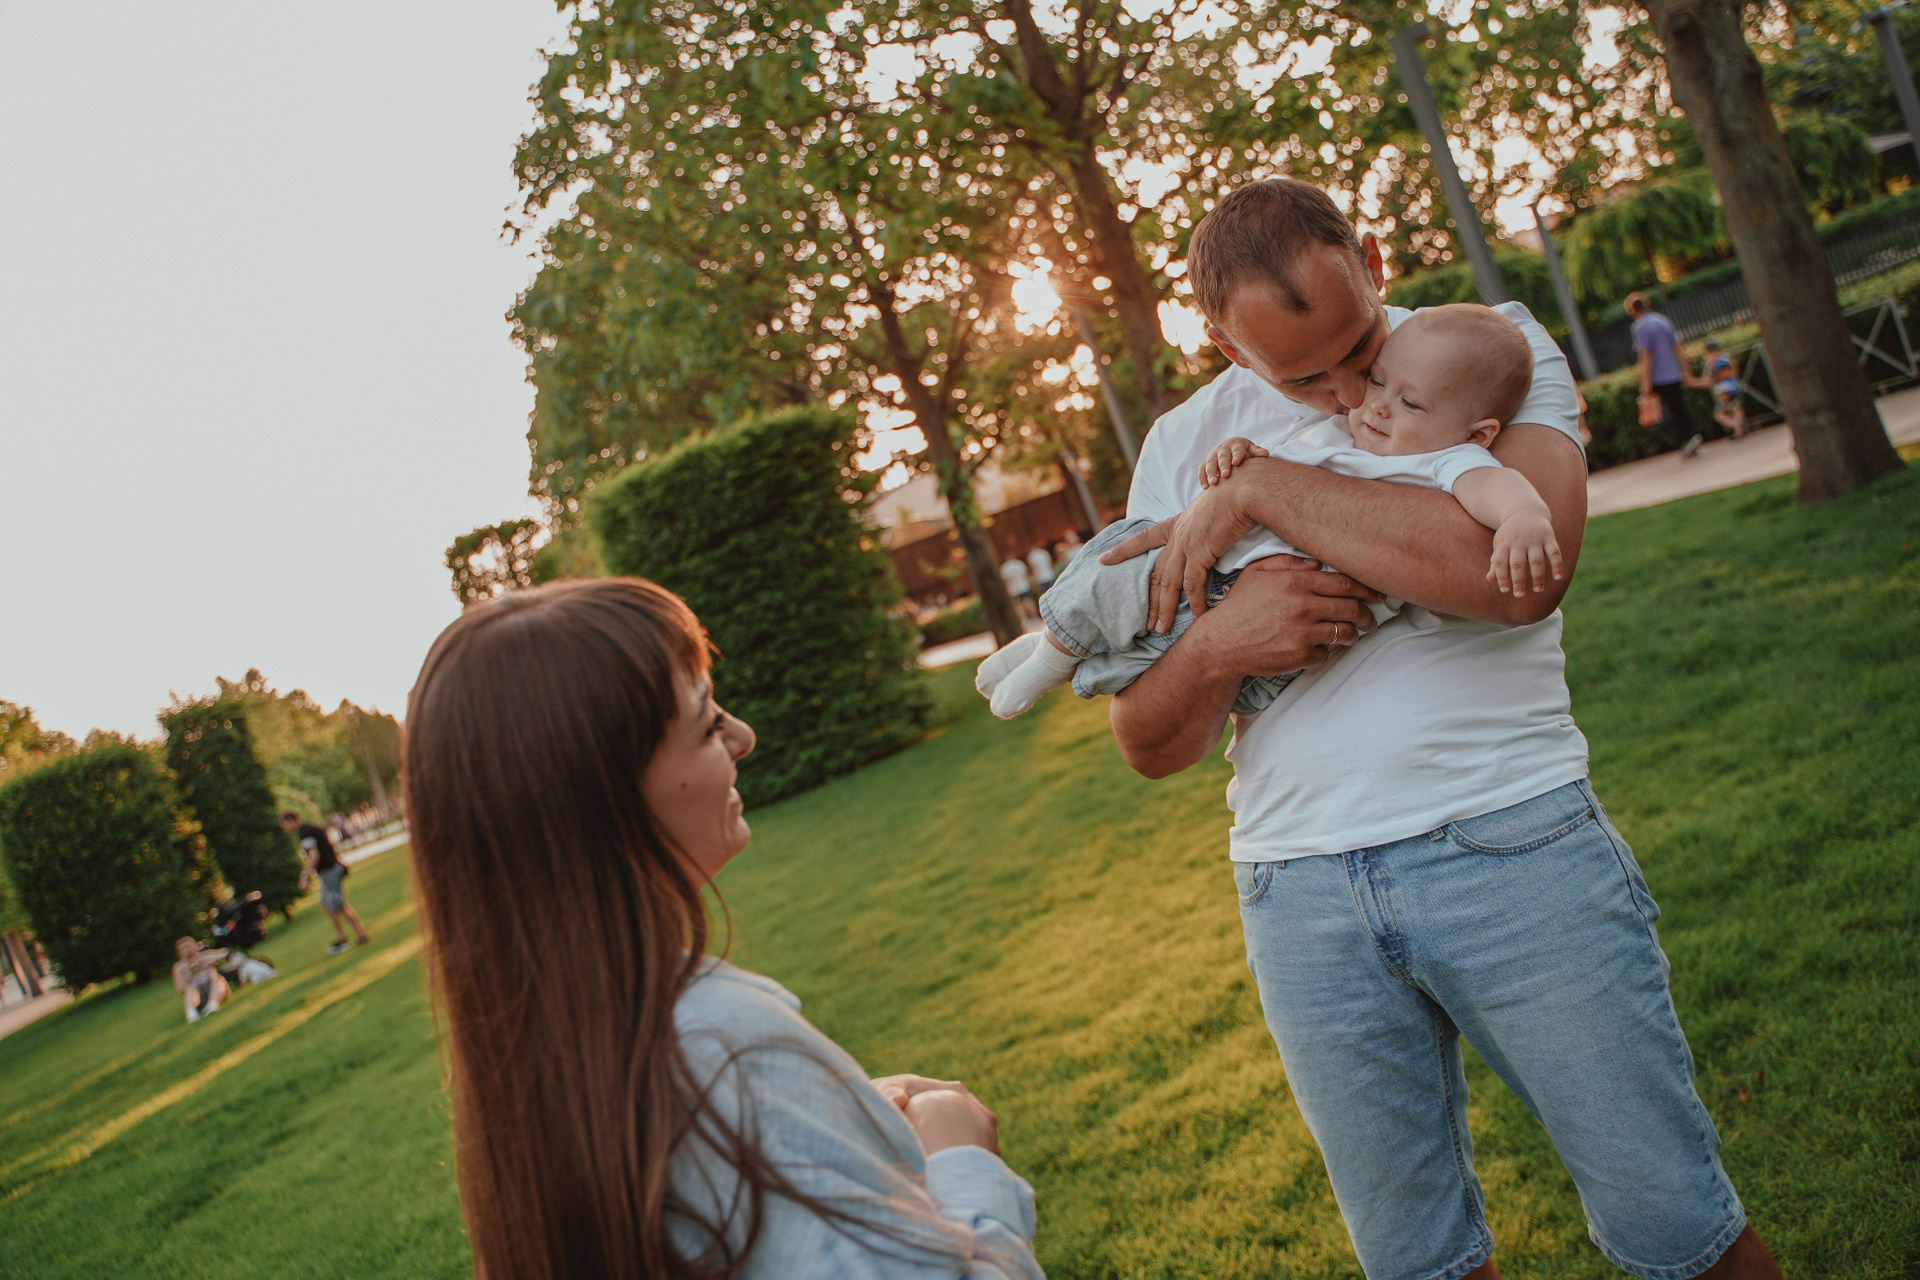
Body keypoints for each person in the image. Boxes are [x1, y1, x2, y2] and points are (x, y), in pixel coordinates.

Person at [1098, 179, 1780, 1280]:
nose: (1346, 396)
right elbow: (1146, 740)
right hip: (1295, 888)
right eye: (1299, 380)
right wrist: (1223, 645)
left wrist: (1265, 490)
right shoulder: (1182, 443)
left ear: (1373, 262)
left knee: (1677, 1227)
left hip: (1509, 841)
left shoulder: (1484, 349)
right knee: (1418, 1264)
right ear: (1220, 343)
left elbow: (1517, 578)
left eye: (1359, 351)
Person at [402, 578, 1042, 1280]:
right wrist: (960, 1156)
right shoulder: (725, 1053)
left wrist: (828, 1118)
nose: (743, 737)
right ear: (601, 798)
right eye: (707, 724)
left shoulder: (550, 1048)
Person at [976, 306, 1559, 719]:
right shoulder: (1343, 430)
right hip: (1220, 572)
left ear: (1476, 433)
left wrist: (1523, 520)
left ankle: (1065, 653)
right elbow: (1268, 466)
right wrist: (1237, 454)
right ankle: (1054, 646)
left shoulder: (1446, 459)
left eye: (1409, 402)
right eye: (1379, 381)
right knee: (1128, 562)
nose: (1373, 405)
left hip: (1300, 625)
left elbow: (1498, 487)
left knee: (1145, 660)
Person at [1627, 291, 1705, 458]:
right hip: (1673, 373)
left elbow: (1645, 355)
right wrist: (1686, 371)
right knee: (1679, 408)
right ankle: (1689, 438)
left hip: (1657, 377)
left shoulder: (1639, 327)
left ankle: (1683, 438)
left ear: (1632, 311)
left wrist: (1644, 382)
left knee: (1660, 414)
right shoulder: (1663, 320)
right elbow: (1678, 347)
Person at [281, 810, 369, 955]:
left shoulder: (305, 833)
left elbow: (314, 854)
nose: (286, 829)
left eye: (285, 825)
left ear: (291, 821)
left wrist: (305, 877)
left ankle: (354, 935)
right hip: (329, 870)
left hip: (329, 871)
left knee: (338, 905)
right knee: (328, 904)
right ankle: (344, 935)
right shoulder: (312, 829)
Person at [171, 937, 229, 1024]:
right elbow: (181, 989)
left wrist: (209, 960)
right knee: (189, 987)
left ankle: (213, 1004)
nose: (187, 950)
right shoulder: (178, 967)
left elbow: (224, 952)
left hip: (215, 990)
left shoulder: (205, 956)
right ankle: (191, 1012)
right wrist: (189, 974)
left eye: (188, 946)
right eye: (183, 948)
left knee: (216, 978)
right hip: (197, 997)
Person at [1701, 338, 1746, 438]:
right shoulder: (1727, 357)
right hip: (1734, 386)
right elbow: (1735, 371)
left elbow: (1708, 379)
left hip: (1723, 391)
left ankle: (1737, 428)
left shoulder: (1711, 363)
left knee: (1719, 414)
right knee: (1736, 408)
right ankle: (1739, 429)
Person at [998, 554, 1036, 623]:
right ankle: (1034, 617)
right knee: (1028, 602)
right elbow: (1025, 575)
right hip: (1024, 587)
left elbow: (1006, 581)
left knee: (1018, 606)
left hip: (1013, 590)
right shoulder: (1019, 563)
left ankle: (1024, 620)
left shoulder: (1005, 567)